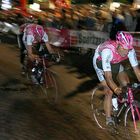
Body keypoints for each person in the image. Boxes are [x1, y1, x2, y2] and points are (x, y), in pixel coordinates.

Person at [93, 31, 140, 129]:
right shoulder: (107, 51)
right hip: (100, 62)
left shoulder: (129, 50)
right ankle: (108, 119)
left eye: (128, 49)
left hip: (115, 62)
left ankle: (116, 103)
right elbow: (109, 78)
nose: (126, 52)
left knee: (126, 84)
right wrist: (117, 91)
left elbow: (137, 71)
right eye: (124, 48)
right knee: (109, 91)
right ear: (118, 44)